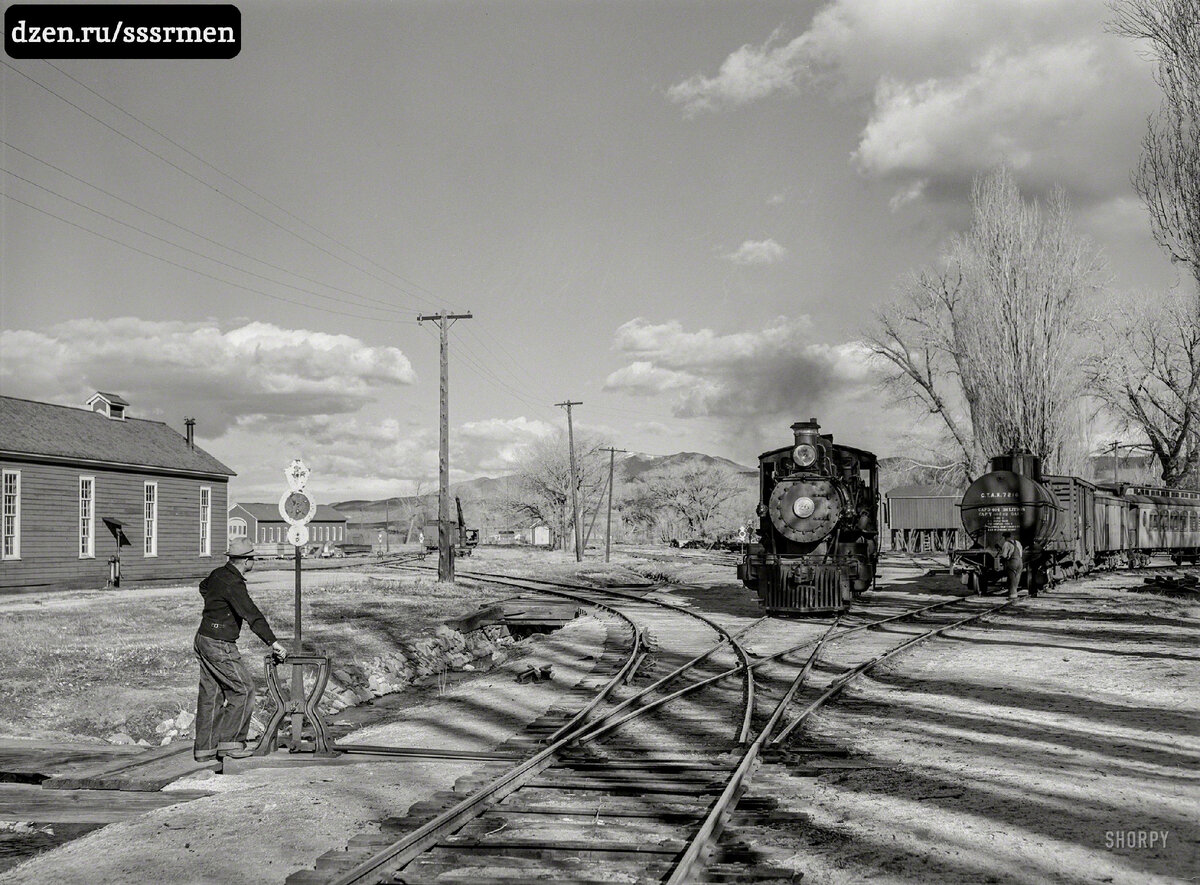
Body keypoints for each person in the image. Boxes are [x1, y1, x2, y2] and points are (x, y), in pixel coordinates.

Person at [193, 538, 288, 762]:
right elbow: (251, 614)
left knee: (211, 693)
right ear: (246, 561)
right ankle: (231, 743)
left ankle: (205, 749)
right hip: (219, 644)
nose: (253, 561)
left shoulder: (218, 574)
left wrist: (216, 608)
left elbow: (203, 587)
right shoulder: (234, 584)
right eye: (252, 558)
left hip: (203, 638)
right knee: (244, 690)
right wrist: (273, 643)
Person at [998, 532, 1024, 599]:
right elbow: (1021, 554)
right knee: (1017, 578)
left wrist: (1001, 557)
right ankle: (1015, 592)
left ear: (1005, 537)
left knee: (1011, 578)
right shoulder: (1018, 542)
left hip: (1012, 562)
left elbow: (1004, 555)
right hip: (1020, 562)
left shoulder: (1006, 543)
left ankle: (1012, 594)